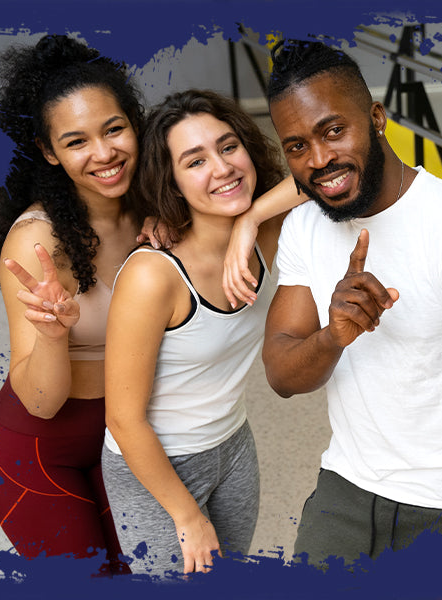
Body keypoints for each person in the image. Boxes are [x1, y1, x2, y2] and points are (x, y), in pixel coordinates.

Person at [223, 39, 442, 566]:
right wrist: (333, 335)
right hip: (346, 486)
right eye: (296, 147)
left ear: (377, 117)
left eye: (333, 130)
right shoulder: (304, 227)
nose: (319, 160)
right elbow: (282, 374)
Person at [100, 90, 299, 576]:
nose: (222, 167)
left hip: (232, 445)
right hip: (153, 465)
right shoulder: (153, 276)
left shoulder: (270, 232)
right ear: (171, 181)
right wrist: (186, 515)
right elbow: (124, 420)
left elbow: (326, 174)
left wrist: (251, 219)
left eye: (228, 147)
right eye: (195, 161)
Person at [0, 34, 144, 573]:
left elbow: (267, 188)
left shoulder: (160, 208)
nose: (104, 154)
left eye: (114, 129)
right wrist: (53, 334)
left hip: (128, 431)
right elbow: (42, 402)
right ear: (50, 152)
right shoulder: (37, 243)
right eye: (76, 141)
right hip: (41, 449)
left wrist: (241, 232)